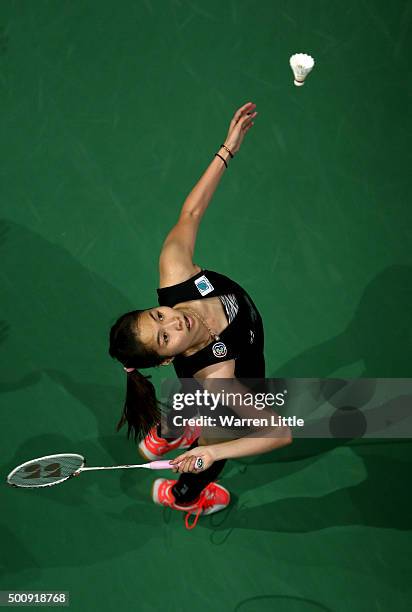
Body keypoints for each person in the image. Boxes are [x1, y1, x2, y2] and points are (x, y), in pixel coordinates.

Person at [109, 101, 292, 529]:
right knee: (214, 436)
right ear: (167, 358)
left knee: (186, 401)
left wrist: (228, 148)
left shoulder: (176, 272)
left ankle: (169, 434)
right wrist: (214, 452)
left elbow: (190, 212)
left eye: (157, 316)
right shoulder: (221, 382)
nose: (174, 322)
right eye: (164, 338)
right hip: (240, 369)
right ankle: (183, 494)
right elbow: (280, 433)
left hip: (204, 376)